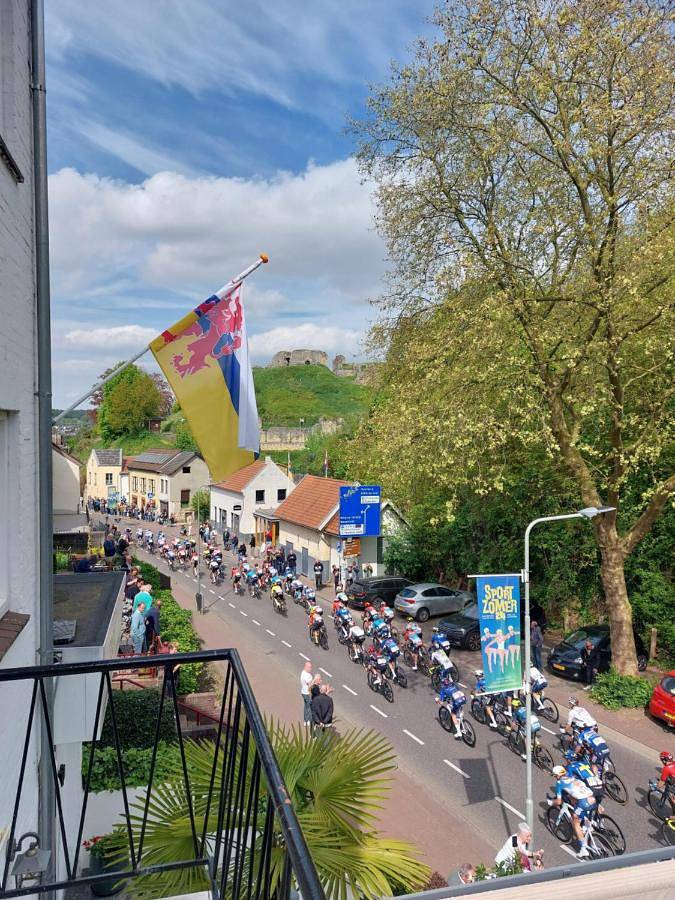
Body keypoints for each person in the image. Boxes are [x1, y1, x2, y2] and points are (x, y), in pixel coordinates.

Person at [550, 765, 597, 857]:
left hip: (583, 802)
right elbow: (574, 795)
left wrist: (551, 802)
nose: (555, 778)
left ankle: (583, 849)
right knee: (577, 806)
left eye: (555, 776)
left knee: (575, 821)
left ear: (558, 775)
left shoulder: (560, 783)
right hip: (592, 799)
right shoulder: (573, 778)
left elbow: (559, 802)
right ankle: (588, 827)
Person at [300, 661, 317, 726]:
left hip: (304, 692)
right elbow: (310, 685)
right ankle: (309, 721)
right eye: (309, 667)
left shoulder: (303, 672)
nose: (311, 669)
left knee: (306, 706)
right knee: (309, 707)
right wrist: (314, 679)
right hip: (307, 693)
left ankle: (305, 720)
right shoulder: (306, 675)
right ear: (306, 667)